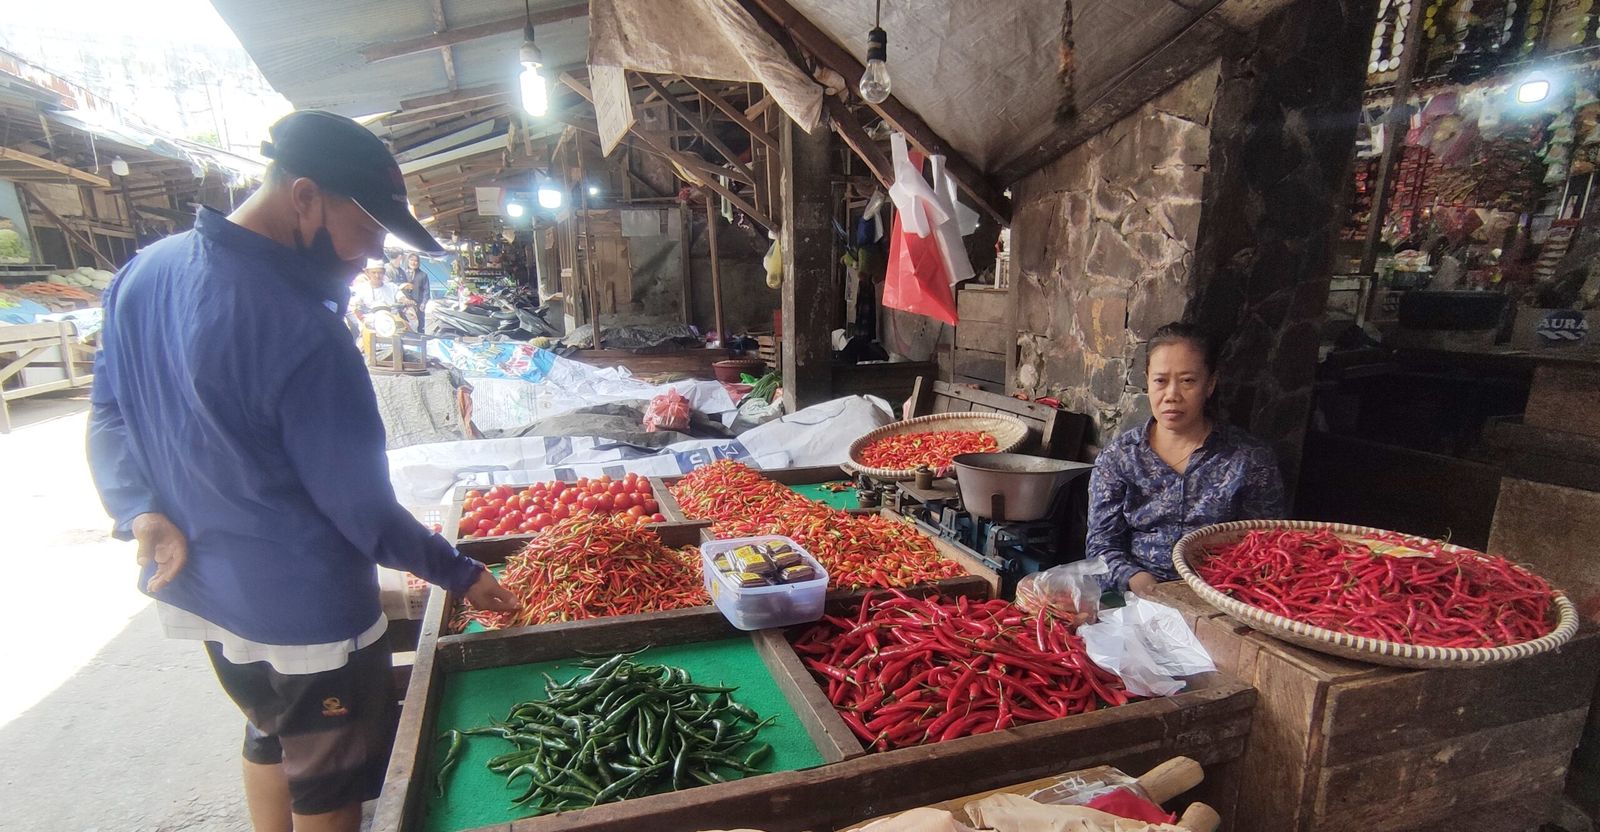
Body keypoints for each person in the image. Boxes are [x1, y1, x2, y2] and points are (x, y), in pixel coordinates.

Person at [87, 110, 518, 832]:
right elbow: (362, 507)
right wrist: (461, 573)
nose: (370, 254)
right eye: (368, 230)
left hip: (206, 591)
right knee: (327, 779)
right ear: (306, 197)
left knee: (267, 729)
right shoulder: (299, 329)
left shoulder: (147, 272)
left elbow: (107, 411)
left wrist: (140, 509)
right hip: (304, 615)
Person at [1086, 322, 1286, 596]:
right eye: (1160, 380)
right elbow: (1101, 544)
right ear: (1147, 381)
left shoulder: (1249, 459)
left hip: (1224, 601)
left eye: (1188, 381)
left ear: (1210, 384)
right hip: (1137, 600)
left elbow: (1265, 546)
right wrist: (1134, 578)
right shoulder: (1119, 458)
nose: (1172, 395)